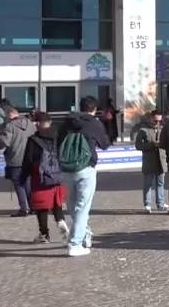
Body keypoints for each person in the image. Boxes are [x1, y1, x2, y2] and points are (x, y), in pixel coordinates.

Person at [56, 96, 110, 257]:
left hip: (66, 168)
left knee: (73, 206)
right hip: (85, 168)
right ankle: (75, 243)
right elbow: (105, 144)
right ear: (94, 109)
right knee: (82, 207)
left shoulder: (66, 122)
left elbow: (58, 143)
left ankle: (85, 234)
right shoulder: (94, 123)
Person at [21, 112, 69, 243]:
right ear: (50, 122)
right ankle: (61, 221)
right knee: (56, 202)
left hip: (40, 177)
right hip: (58, 175)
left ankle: (44, 234)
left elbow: (28, 160)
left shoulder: (33, 139)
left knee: (41, 206)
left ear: (37, 123)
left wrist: (23, 176)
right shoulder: (59, 136)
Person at [0, 107, 37, 216]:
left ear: (9, 114)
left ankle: (23, 209)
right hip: (29, 158)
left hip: (15, 159)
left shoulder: (9, 126)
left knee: (19, 184)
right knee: (28, 183)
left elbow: (5, 142)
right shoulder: (30, 124)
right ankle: (33, 207)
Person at [132, 111, 167, 213]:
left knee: (160, 183)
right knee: (148, 184)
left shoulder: (163, 129)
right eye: (155, 121)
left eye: (160, 121)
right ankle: (147, 204)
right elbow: (138, 145)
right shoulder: (143, 130)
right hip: (149, 160)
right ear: (151, 118)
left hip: (161, 160)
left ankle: (160, 203)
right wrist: (151, 145)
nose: (157, 123)